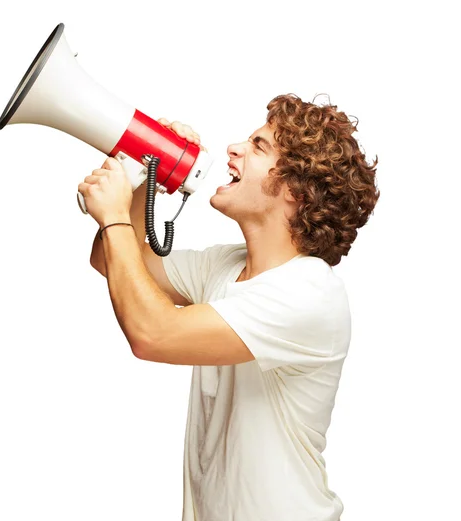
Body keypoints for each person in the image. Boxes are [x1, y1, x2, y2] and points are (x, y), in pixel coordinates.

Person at [78, 93, 379, 521]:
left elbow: (152, 334)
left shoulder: (309, 291)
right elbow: (114, 261)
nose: (234, 149)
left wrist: (113, 216)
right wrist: (147, 168)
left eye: (258, 146)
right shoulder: (226, 264)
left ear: (296, 190)